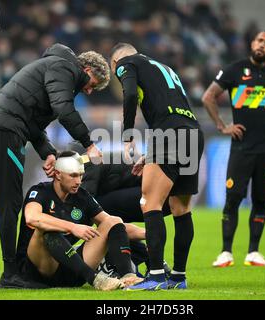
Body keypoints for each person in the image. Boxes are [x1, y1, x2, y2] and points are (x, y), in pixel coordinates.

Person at [0, 43, 108, 288]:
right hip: (7, 129)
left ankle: (15, 271)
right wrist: (89, 144)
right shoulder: (65, 68)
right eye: (92, 84)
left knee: (11, 202)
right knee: (10, 203)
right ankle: (11, 274)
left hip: (9, 128)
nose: (90, 91)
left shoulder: (56, 69)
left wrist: (48, 153)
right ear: (87, 69)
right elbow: (64, 110)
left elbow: (31, 120)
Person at [201, 29, 265, 267]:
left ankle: (253, 252)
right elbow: (208, 97)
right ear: (251, 43)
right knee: (233, 199)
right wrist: (222, 126)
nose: (262, 45)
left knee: (261, 200)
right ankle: (226, 252)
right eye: (259, 40)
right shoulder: (234, 70)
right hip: (241, 148)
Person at [109, 43, 204, 290]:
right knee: (180, 207)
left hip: (168, 134)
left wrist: (128, 134)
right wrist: (153, 152)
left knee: (149, 203)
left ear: (115, 63)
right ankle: (178, 277)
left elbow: (130, 95)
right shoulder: (164, 67)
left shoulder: (126, 63)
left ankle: (156, 275)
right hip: (192, 133)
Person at [17, 151, 143, 290]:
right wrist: (72, 227)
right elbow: (32, 218)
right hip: (40, 270)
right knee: (45, 229)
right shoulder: (40, 191)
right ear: (58, 174)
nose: (78, 181)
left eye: (81, 175)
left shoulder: (82, 196)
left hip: (72, 269)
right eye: (73, 175)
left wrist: (148, 233)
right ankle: (95, 279)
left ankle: (129, 276)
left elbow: (115, 225)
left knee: (113, 221)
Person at [79, 153, 172, 276]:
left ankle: (141, 261)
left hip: (156, 194)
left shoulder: (88, 166)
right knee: (109, 219)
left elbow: (85, 204)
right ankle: (152, 261)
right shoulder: (98, 160)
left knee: (103, 214)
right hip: (167, 194)